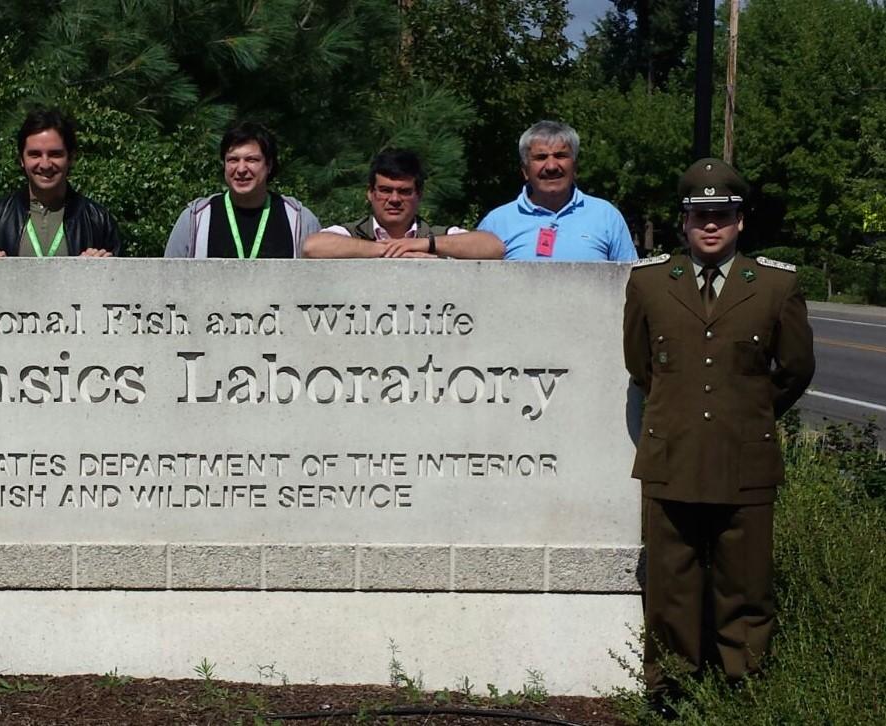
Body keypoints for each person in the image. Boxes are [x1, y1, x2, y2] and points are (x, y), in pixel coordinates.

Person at [622, 158, 814, 702]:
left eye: (722, 215)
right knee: (670, 586)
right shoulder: (651, 283)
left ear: (740, 222)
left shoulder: (776, 286)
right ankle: (671, 690)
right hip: (672, 455)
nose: (711, 226)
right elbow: (641, 367)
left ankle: (742, 689)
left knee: (746, 585)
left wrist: (747, 414)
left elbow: (796, 369)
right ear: (683, 221)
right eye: (700, 215)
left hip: (743, 458)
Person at [478, 120, 637, 261]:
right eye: (541, 157)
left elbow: (633, 284)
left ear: (575, 166)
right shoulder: (496, 223)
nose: (551, 167)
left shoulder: (606, 216)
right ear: (525, 170)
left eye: (560, 156)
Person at [0, 108, 122, 257]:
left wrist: (104, 267)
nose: (45, 164)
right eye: (35, 154)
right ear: (22, 160)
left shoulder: (97, 220)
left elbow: (121, 277)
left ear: (70, 158)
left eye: (55, 154)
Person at [304, 149, 504, 259]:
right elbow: (313, 247)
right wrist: (389, 250)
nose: (394, 199)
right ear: (370, 193)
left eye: (404, 191)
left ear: (419, 194)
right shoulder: (350, 233)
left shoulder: (436, 236)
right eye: (385, 190)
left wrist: (425, 245)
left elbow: (493, 247)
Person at [164, 122, 320, 258]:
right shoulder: (194, 219)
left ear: (269, 165)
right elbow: (169, 281)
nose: (241, 169)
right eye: (233, 160)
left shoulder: (300, 220)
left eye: (252, 160)